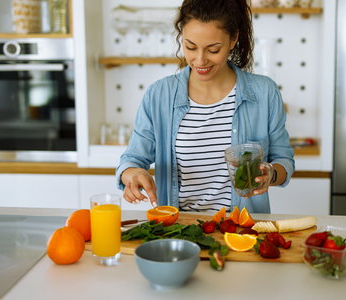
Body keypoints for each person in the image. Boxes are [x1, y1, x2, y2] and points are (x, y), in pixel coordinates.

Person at [116, 0, 294, 214]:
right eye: (190, 47)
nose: (200, 60)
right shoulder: (159, 95)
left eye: (213, 49)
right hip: (179, 230)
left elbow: (284, 159)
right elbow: (131, 160)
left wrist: (271, 175)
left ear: (233, 39)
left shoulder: (264, 92)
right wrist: (134, 175)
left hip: (242, 229)